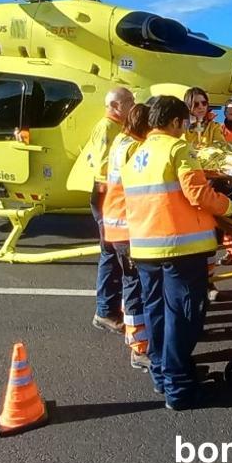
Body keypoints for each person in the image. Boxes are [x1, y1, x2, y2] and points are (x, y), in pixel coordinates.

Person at [122, 95, 232, 410]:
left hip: (145, 247)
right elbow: (198, 194)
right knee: (184, 316)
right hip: (180, 247)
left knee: (157, 313)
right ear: (177, 122)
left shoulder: (136, 153)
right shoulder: (178, 148)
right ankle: (179, 389)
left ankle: (163, 378)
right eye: (186, 123)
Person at [78, 86, 136, 334]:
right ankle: (105, 311)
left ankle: (110, 307)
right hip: (105, 195)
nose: (133, 105)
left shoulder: (118, 128)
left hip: (109, 194)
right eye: (129, 102)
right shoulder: (107, 128)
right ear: (115, 105)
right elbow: (103, 165)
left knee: (113, 253)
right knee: (111, 252)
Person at [101, 103, 152, 370]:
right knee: (135, 284)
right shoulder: (135, 148)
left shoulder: (121, 141)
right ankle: (139, 348)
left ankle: (137, 340)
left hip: (116, 221)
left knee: (130, 282)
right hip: (127, 226)